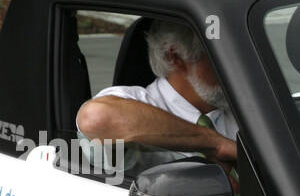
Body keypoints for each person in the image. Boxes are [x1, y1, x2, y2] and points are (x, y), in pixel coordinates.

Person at [76, 19, 238, 186]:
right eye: (221, 56)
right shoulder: (137, 103)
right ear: (175, 57)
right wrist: (215, 144)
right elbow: (95, 117)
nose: (235, 66)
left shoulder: (245, 106)